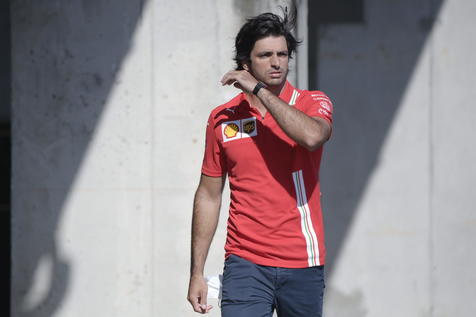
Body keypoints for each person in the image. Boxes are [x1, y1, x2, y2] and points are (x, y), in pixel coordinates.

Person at [187, 8, 333, 317]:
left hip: (302, 262)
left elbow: (312, 137)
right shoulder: (222, 119)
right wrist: (196, 272)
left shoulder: (312, 103)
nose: (277, 62)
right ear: (246, 63)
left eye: (282, 54)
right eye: (266, 55)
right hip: (245, 262)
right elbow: (209, 195)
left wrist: (258, 90)